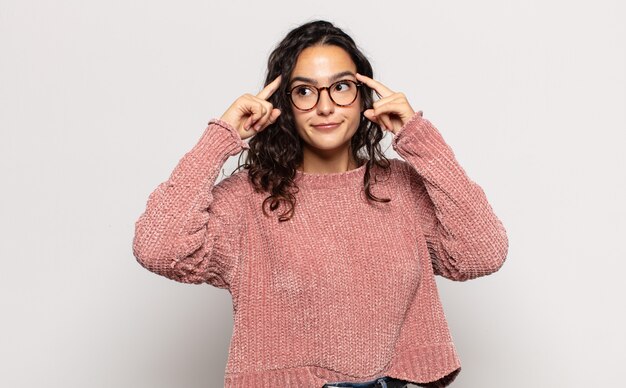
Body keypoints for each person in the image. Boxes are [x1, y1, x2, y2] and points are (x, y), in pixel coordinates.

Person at [132, 20, 509, 388]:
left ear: (364, 97)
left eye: (341, 87)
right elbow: (159, 249)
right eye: (305, 91)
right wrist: (221, 137)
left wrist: (419, 138)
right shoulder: (248, 197)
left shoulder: (401, 186)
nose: (325, 106)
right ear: (286, 104)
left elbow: (483, 253)